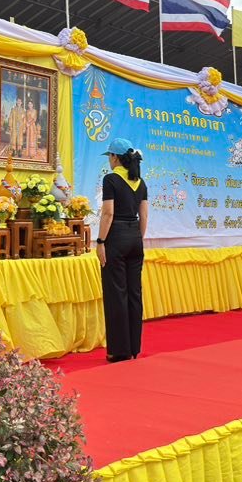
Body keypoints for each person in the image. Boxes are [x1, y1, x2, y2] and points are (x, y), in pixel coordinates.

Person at [96, 138, 148, 363]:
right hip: (135, 237)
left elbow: (108, 213)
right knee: (135, 293)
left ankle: (118, 350)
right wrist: (137, 238)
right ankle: (134, 347)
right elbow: (143, 215)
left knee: (116, 293)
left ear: (115, 157)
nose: (109, 160)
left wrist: (100, 241)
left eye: (110, 156)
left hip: (116, 238)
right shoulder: (140, 182)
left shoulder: (111, 179)